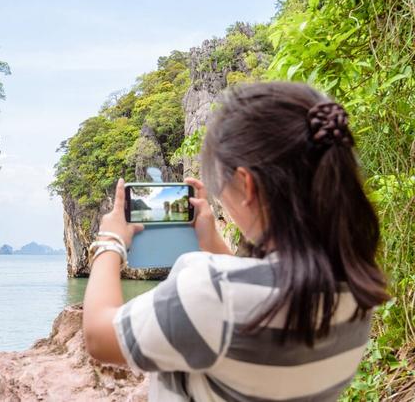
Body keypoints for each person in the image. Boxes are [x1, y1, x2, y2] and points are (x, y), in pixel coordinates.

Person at [82, 82, 390, 401]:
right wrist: (212, 237)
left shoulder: (211, 290)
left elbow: (99, 336)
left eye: (220, 184)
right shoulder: (357, 292)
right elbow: (257, 289)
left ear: (247, 184)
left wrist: (110, 240)